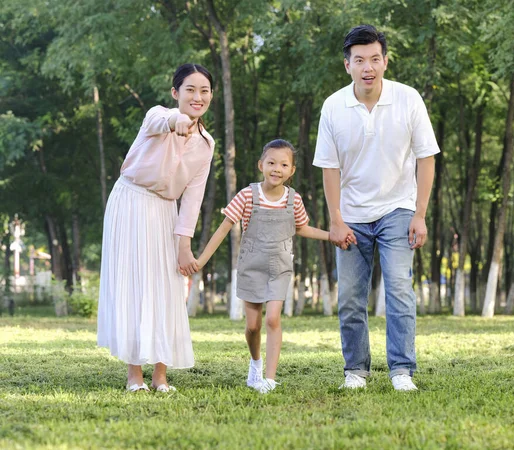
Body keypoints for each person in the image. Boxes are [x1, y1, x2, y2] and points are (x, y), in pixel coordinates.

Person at [313, 25, 439, 391]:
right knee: (351, 296)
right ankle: (355, 370)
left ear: (385, 61)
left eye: (374, 59)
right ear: (347, 65)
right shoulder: (334, 106)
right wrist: (335, 219)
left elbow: (426, 158)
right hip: (351, 214)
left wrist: (420, 213)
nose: (367, 67)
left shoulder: (408, 98)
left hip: (397, 207)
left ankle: (401, 370)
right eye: (359, 60)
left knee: (399, 287)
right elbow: (329, 167)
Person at [97, 63, 215, 392]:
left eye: (204, 91)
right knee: (134, 284)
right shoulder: (158, 115)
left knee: (168, 287)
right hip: (130, 201)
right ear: (175, 93)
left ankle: (160, 375)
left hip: (166, 209)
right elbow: (162, 120)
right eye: (190, 89)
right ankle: (134, 374)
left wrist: (184, 245)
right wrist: (179, 121)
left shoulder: (206, 144)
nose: (198, 96)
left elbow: (193, 199)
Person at [194, 139, 331, 393]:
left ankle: (269, 379)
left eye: (283, 164)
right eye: (271, 163)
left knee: (273, 318)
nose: (276, 169)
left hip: (280, 268)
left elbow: (301, 228)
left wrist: (331, 235)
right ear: (261, 165)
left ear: (292, 170)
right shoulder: (247, 195)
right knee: (253, 326)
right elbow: (224, 228)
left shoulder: (294, 200)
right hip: (251, 267)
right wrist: (201, 261)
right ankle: (255, 363)